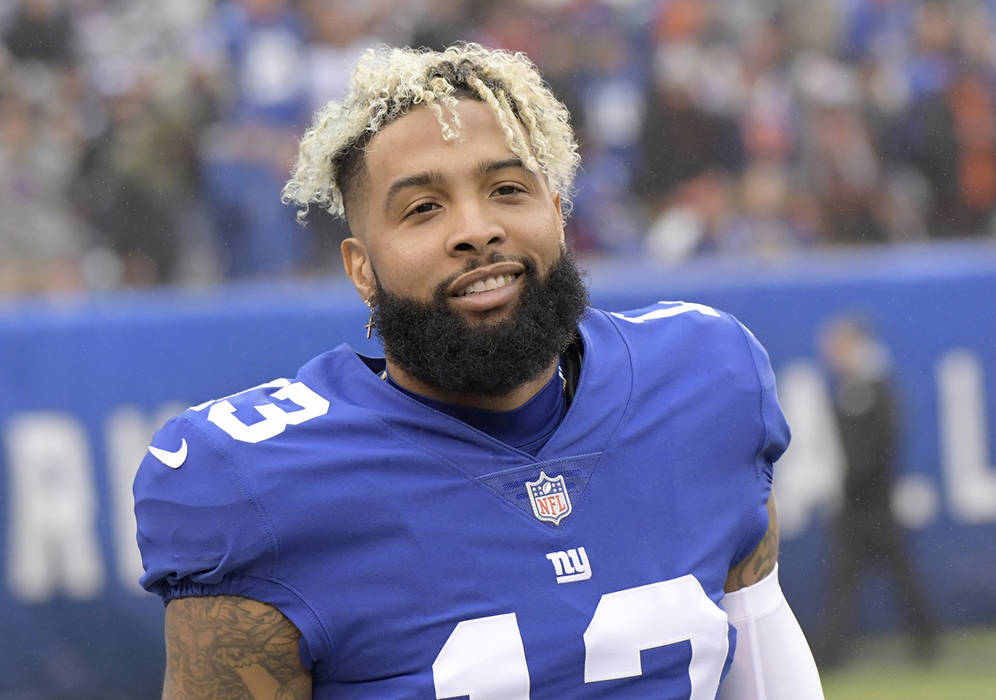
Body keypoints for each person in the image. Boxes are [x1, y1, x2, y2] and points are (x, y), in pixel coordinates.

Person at [134, 43, 824, 698]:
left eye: (507, 189)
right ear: (361, 269)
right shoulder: (255, 483)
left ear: (557, 214)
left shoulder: (704, 381)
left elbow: (765, 667)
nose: (477, 228)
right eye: (423, 208)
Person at [814, 316, 937, 667]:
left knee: (892, 575)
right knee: (848, 578)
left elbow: (879, 446)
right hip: (858, 503)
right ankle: (831, 652)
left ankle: (925, 641)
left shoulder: (874, 385)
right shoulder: (850, 384)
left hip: (872, 504)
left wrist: (854, 484)